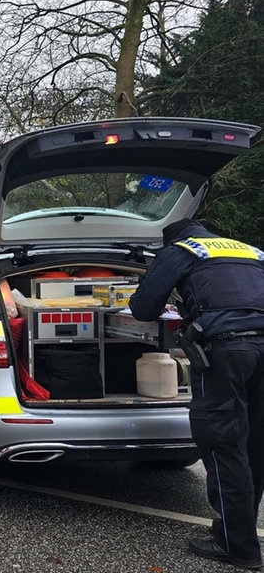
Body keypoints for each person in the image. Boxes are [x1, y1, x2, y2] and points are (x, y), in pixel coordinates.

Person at [129, 219, 264, 571]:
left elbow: (143, 308)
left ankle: (237, 547)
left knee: (222, 442)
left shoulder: (181, 250)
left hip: (227, 352)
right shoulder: (249, 250)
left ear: (171, 239)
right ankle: (240, 532)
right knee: (255, 443)